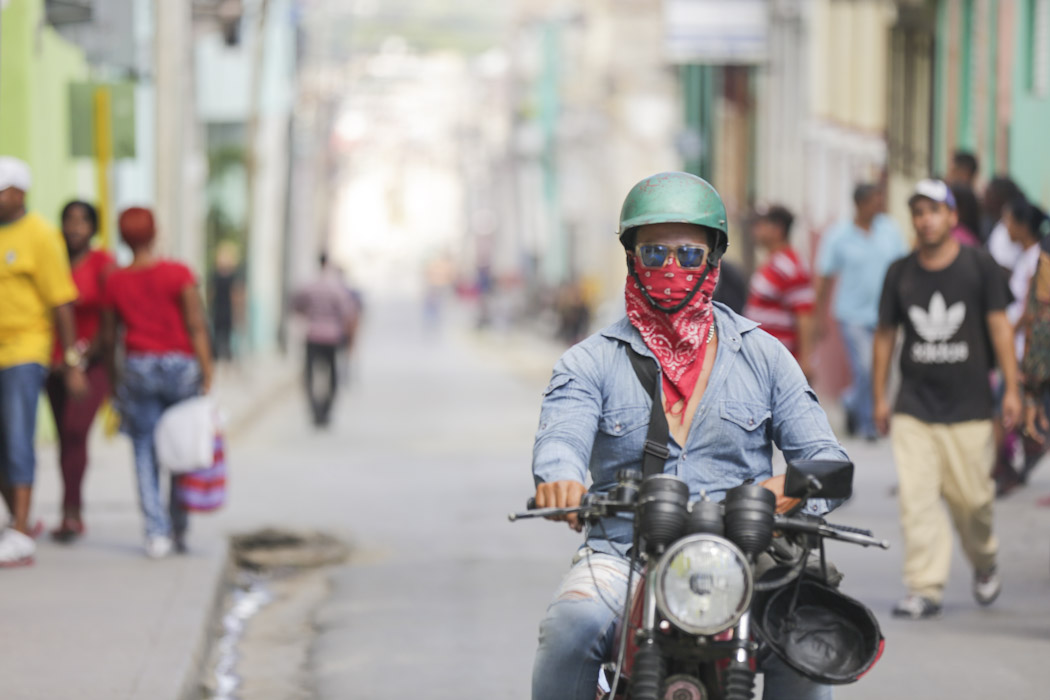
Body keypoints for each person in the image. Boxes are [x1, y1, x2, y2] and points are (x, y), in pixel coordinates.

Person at [531, 172, 849, 700]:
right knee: (570, 628)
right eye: (654, 254)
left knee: (808, 641)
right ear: (632, 258)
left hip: (746, 556)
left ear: (715, 260)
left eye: (688, 254)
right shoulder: (588, 362)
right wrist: (560, 479)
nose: (671, 268)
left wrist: (788, 489)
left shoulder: (766, 355)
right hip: (621, 555)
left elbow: (827, 459)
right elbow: (560, 439)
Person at [872, 179, 1021, 619]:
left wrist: (1011, 389)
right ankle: (924, 586)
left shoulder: (980, 266)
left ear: (952, 217)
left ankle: (985, 559)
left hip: (970, 407)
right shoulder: (899, 272)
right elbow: (885, 337)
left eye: (934, 210)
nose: (926, 219)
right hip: (915, 407)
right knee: (916, 501)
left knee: (973, 502)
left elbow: (999, 327)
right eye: (918, 211)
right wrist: (880, 397)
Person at [102, 207, 213, 558]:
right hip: (180, 366)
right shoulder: (179, 273)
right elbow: (196, 324)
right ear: (155, 233)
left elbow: (110, 338)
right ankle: (177, 526)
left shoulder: (115, 281)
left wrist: (113, 381)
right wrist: (207, 370)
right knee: (181, 446)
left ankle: (155, 533)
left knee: (144, 449)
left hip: (139, 367)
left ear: (123, 238)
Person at [0, 157, 85, 567]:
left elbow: (62, 302)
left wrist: (70, 360)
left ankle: (19, 531)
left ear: (19, 192)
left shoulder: (40, 235)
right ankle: (19, 518)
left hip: (24, 351)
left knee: (18, 437)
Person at [46, 201, 115, 542]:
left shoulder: (104, 264)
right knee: (64, 437)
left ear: (93, 227)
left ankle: (72, 511)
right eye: (68, 220)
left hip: (93, 362)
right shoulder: (52, 260)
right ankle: (68, 509)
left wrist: (82, 358)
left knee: (76, 430)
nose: (74, 227)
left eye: (82, 221)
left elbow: (109, 321)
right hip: (54, 364)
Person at [815, 183, 907, 440]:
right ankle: (869, 425)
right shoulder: (839, 235)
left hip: (886, 315)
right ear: (859, 204)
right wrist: (817, 317)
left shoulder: (890, 230)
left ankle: (850, 401)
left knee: (882, 369)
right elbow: (824, 277)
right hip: (852, 315)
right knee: (866, 367)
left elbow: (903, 269)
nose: (879, 205)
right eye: (874, 201)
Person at [743, 204, 816, 378]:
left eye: (761, 225)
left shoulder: (791, 266)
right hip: (763, 359)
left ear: (778, 229)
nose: (756, 230)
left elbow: (805, 316)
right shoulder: (773, 262)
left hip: (780, 361)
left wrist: (805, 362)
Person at [292, 253, 358, 427]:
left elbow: (297, 306)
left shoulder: (310, 285)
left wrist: (310, 316)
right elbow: (348, 313)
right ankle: (326, 410)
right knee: (332, 375)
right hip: (332, 337)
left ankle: (315, 410)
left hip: (313, 334)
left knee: (310, 375)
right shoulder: (337, 287)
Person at [981, 176, 1024, 267]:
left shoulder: (1007, 231)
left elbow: (1004, 268)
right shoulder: (998, 225)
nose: (984, 198)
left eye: (989, 194)